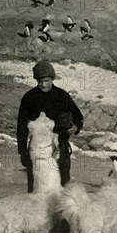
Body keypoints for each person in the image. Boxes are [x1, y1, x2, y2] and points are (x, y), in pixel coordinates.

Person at [17, 60, 83, 193]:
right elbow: (22, 126)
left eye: (46, 80)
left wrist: (76, 127)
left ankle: (63, 212)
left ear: (52, 79)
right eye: (40, 81)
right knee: (36, 186)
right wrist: (23, 151)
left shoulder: (62, 96)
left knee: (63, 185)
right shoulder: (29, 98)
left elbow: (77, 116)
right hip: (38, 150)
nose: (43, 84)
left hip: (61, 146)